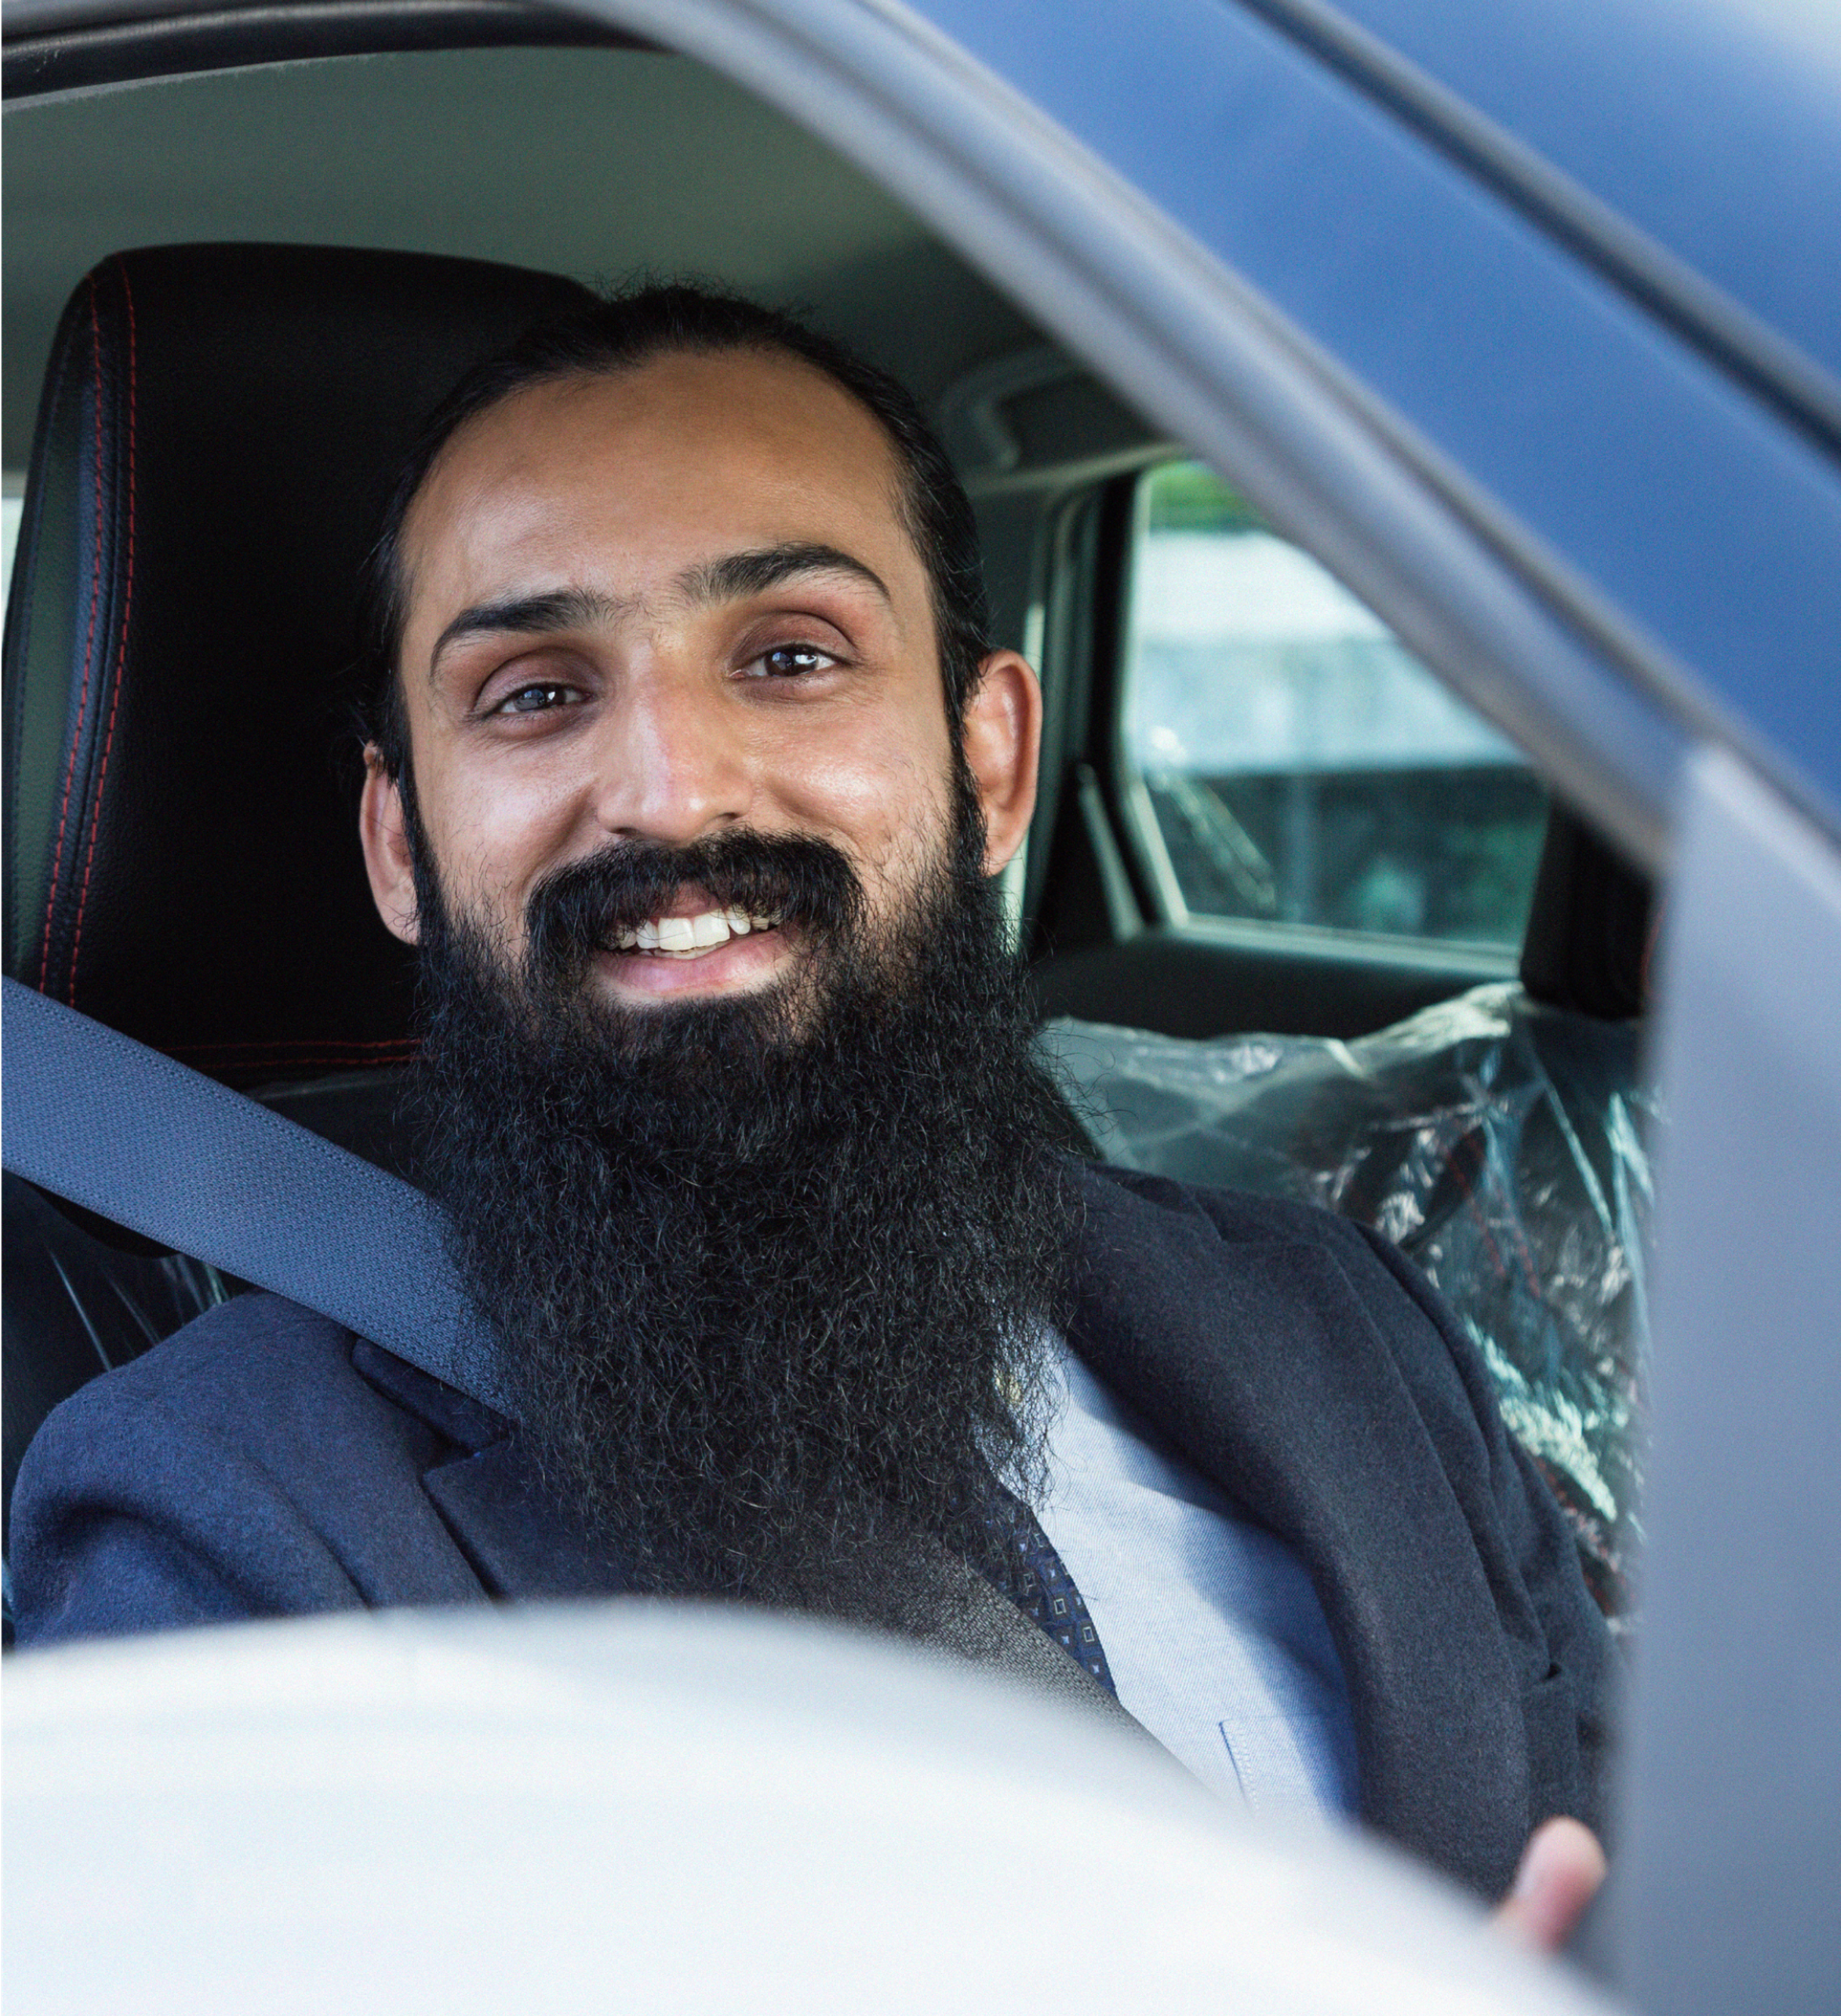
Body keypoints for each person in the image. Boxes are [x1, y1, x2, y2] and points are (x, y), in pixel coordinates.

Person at [9, 286, 1610, 1936]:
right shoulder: (225, 1525)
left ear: (992, 764)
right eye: (537, 692)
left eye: (790, 657)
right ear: (401, 845)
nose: (671, 792)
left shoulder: (1347, 1320)